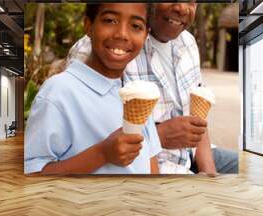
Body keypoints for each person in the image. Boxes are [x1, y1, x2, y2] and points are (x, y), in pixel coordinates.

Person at [66, 3, 238, 174]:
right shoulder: (99, 50)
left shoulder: (187, 43)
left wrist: (209, 173)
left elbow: (198, 121)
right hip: (146, 166)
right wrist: (158, 135)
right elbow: (86, 145)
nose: (182, 8)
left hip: (191, 155)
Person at [24, 3, 162, 175]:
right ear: (88, 26)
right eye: (110, 20)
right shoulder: (58, 93)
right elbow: (32, 175)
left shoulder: (138, 94)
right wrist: (102, 154)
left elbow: (151, 162)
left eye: (136, 26)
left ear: (145, 35)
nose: (122, 34)